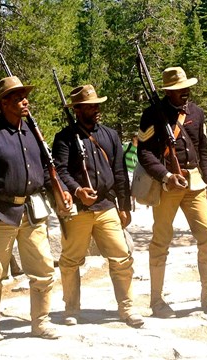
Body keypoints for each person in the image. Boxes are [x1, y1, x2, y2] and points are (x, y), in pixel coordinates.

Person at [0, 75, 73, 342]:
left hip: (33, 211)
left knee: (44, 269)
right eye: (18, 98)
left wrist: (61, 192)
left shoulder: (31, 133)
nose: (25, 102)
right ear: (4, 103)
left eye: (25, 97)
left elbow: (45, 173)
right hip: (0, 214)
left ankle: (41, 322)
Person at [137, 67, 207, 318]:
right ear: (168, 91)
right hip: (166, 186)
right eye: (179, 89)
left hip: (195, 182)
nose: (185, 92)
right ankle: (157, 301)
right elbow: (144, 153)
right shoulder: (152, 115)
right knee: (160, 241)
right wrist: (165, 176)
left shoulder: (196, 113)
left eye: (186, 88)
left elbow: (203, 152)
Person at [52, 84, 144, 328]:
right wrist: (77, 191)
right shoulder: (64, 138)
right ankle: (71, 309)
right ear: (78, 110)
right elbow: (59, 171)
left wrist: (124, 205)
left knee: (122, 257)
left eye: (96, 105)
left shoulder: (110, 135)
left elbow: (120, 171)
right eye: (90, 106)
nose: (96, 110)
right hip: (79, 210)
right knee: (70, 261)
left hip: (106, 205)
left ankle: (127, 308)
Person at [122, 134, 138, 209]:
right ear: (134, 138)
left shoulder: (140, 149)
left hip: (135, 171)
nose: (138, 140)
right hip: (127, 170)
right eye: (137, 138)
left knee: (134, 187)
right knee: (129, 185)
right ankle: (130, 202)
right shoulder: (127, 146)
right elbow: (119, 153)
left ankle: (133, 201)